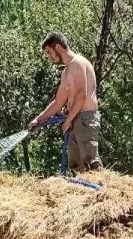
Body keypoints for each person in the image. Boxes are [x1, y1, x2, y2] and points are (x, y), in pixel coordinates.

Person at [28, 31, 102, 172]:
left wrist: (68, 120)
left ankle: (103, 193)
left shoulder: (78, 63)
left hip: (85, 119)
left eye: (49, 52)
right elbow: (58, 102)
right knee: (76, 167)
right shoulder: (66, 72)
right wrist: (38, 119)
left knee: (91, 163)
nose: (49, 57)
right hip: (75, 120)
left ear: (58, 47)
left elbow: (82, 96)